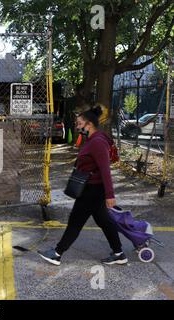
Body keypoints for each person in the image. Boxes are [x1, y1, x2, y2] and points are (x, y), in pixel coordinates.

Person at [38, 105, 127, 266]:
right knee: (104, 222)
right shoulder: (93, 140)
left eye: (80, 124)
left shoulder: (98, 142)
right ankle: (119, 253)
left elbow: (105, 170)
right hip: (92, 188)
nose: (77, 126)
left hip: (92, 190)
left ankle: (57, 254)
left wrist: (110, 195)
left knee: (75, 222)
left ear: (89, 124)